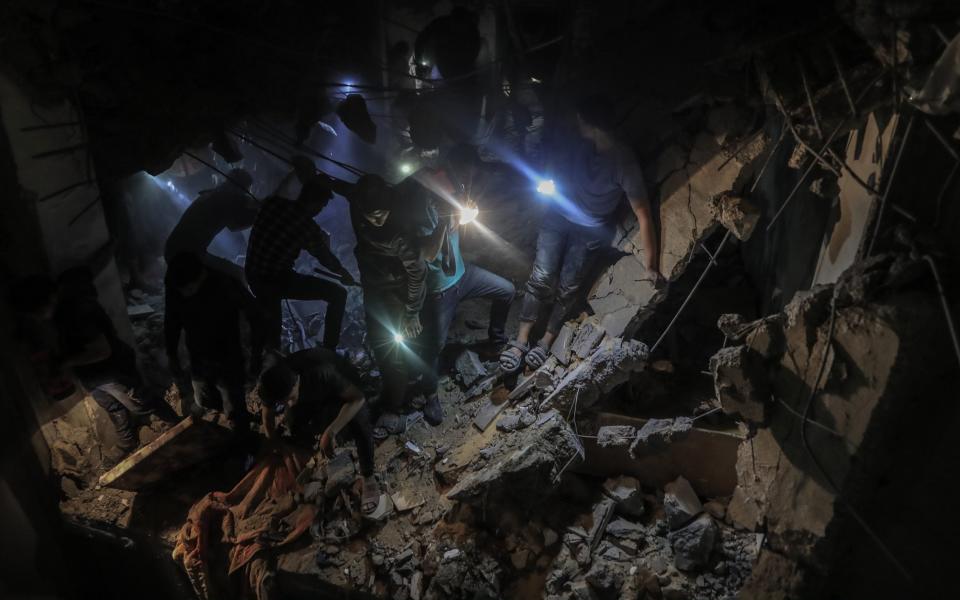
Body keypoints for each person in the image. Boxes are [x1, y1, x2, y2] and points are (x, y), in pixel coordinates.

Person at [500, 94, 661, 373]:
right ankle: (521, 340)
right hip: (558, 216)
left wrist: (650, 266)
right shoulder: (577, 144)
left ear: (592, 124)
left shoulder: (623, 162)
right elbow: (552, 164)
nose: (577, 124)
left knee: (568, 285)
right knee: (541, 276)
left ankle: (546, 340)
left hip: (589, 227)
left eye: (581, 121)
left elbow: (643, 214)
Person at [413, 146, 515, 426]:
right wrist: (444, 222)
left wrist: (466, 210)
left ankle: (496, 342)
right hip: (439, 291)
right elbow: (428, 253)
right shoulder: (420, 216)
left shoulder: (450, 202)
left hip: (464, 275)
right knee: (434, 346)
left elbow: (465, 217)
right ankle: (430, 394)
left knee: (506, 290)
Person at [11, 269, 156, 460]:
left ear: (47, 300)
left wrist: (65, 362)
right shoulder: (58, 308)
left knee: (138, 402)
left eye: (36, 313)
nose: (37, 318)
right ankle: (127, 441)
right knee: (111, 406)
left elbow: (102, 351)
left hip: (112, 369)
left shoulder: (76, 313)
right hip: (92, 374)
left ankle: (166, 424)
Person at [347, 175, 437, 431]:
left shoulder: (399, 232)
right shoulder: (358, 206)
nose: (376, 220)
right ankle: (399, 389)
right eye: (370, 215)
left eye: (381, 214)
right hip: (373, 290)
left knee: (399, 347)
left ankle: (402, 403)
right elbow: (346, 190)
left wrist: (411, 312)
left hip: (397, 293)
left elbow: (418, 273)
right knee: (381, 345)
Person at [257, 348, 384, 515]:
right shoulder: (270, 384)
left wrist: (331, 432)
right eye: (282, 402)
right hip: (309, 393)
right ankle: (317, 434)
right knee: (295, 423)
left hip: (345, 386)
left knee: (359, 421)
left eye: (289, 398)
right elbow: (267, 413)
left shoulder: (323, 373)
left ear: (297, 382)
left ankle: (368, 477)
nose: (287, 404)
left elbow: (357, 398)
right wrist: (273, 441)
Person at [245, 176, 357, 352]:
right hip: (275, 279)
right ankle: (329, 351)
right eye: (321, 206)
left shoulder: (273, 204)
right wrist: (344, 274)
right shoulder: (305, 225)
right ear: (314, 201)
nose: (320, 211)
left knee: (272, 337)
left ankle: (267, 363)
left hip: (253, 275)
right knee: (338, 294)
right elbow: (324, 256)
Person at [165, 252, 263, 431]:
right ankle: (227, 416)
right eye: (181, 290)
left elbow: (256, 316)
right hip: (198, 355)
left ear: (201, 276)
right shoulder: (176, 285)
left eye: (189, 289)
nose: (185, 294)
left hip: (228, 354)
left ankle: (244, 439)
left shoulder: (226, 285)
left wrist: (257, 354)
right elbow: (171, 320)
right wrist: (171, 354)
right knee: (204, 399)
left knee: (233, 402)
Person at [164, 169, 258, 282]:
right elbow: (235, 226)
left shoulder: (215, 194)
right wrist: (258, 215)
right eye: (248, 189)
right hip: (186, 254)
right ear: (241, 187)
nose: (248, 192)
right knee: (237, 274)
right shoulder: (225, 199)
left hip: (177, 249)